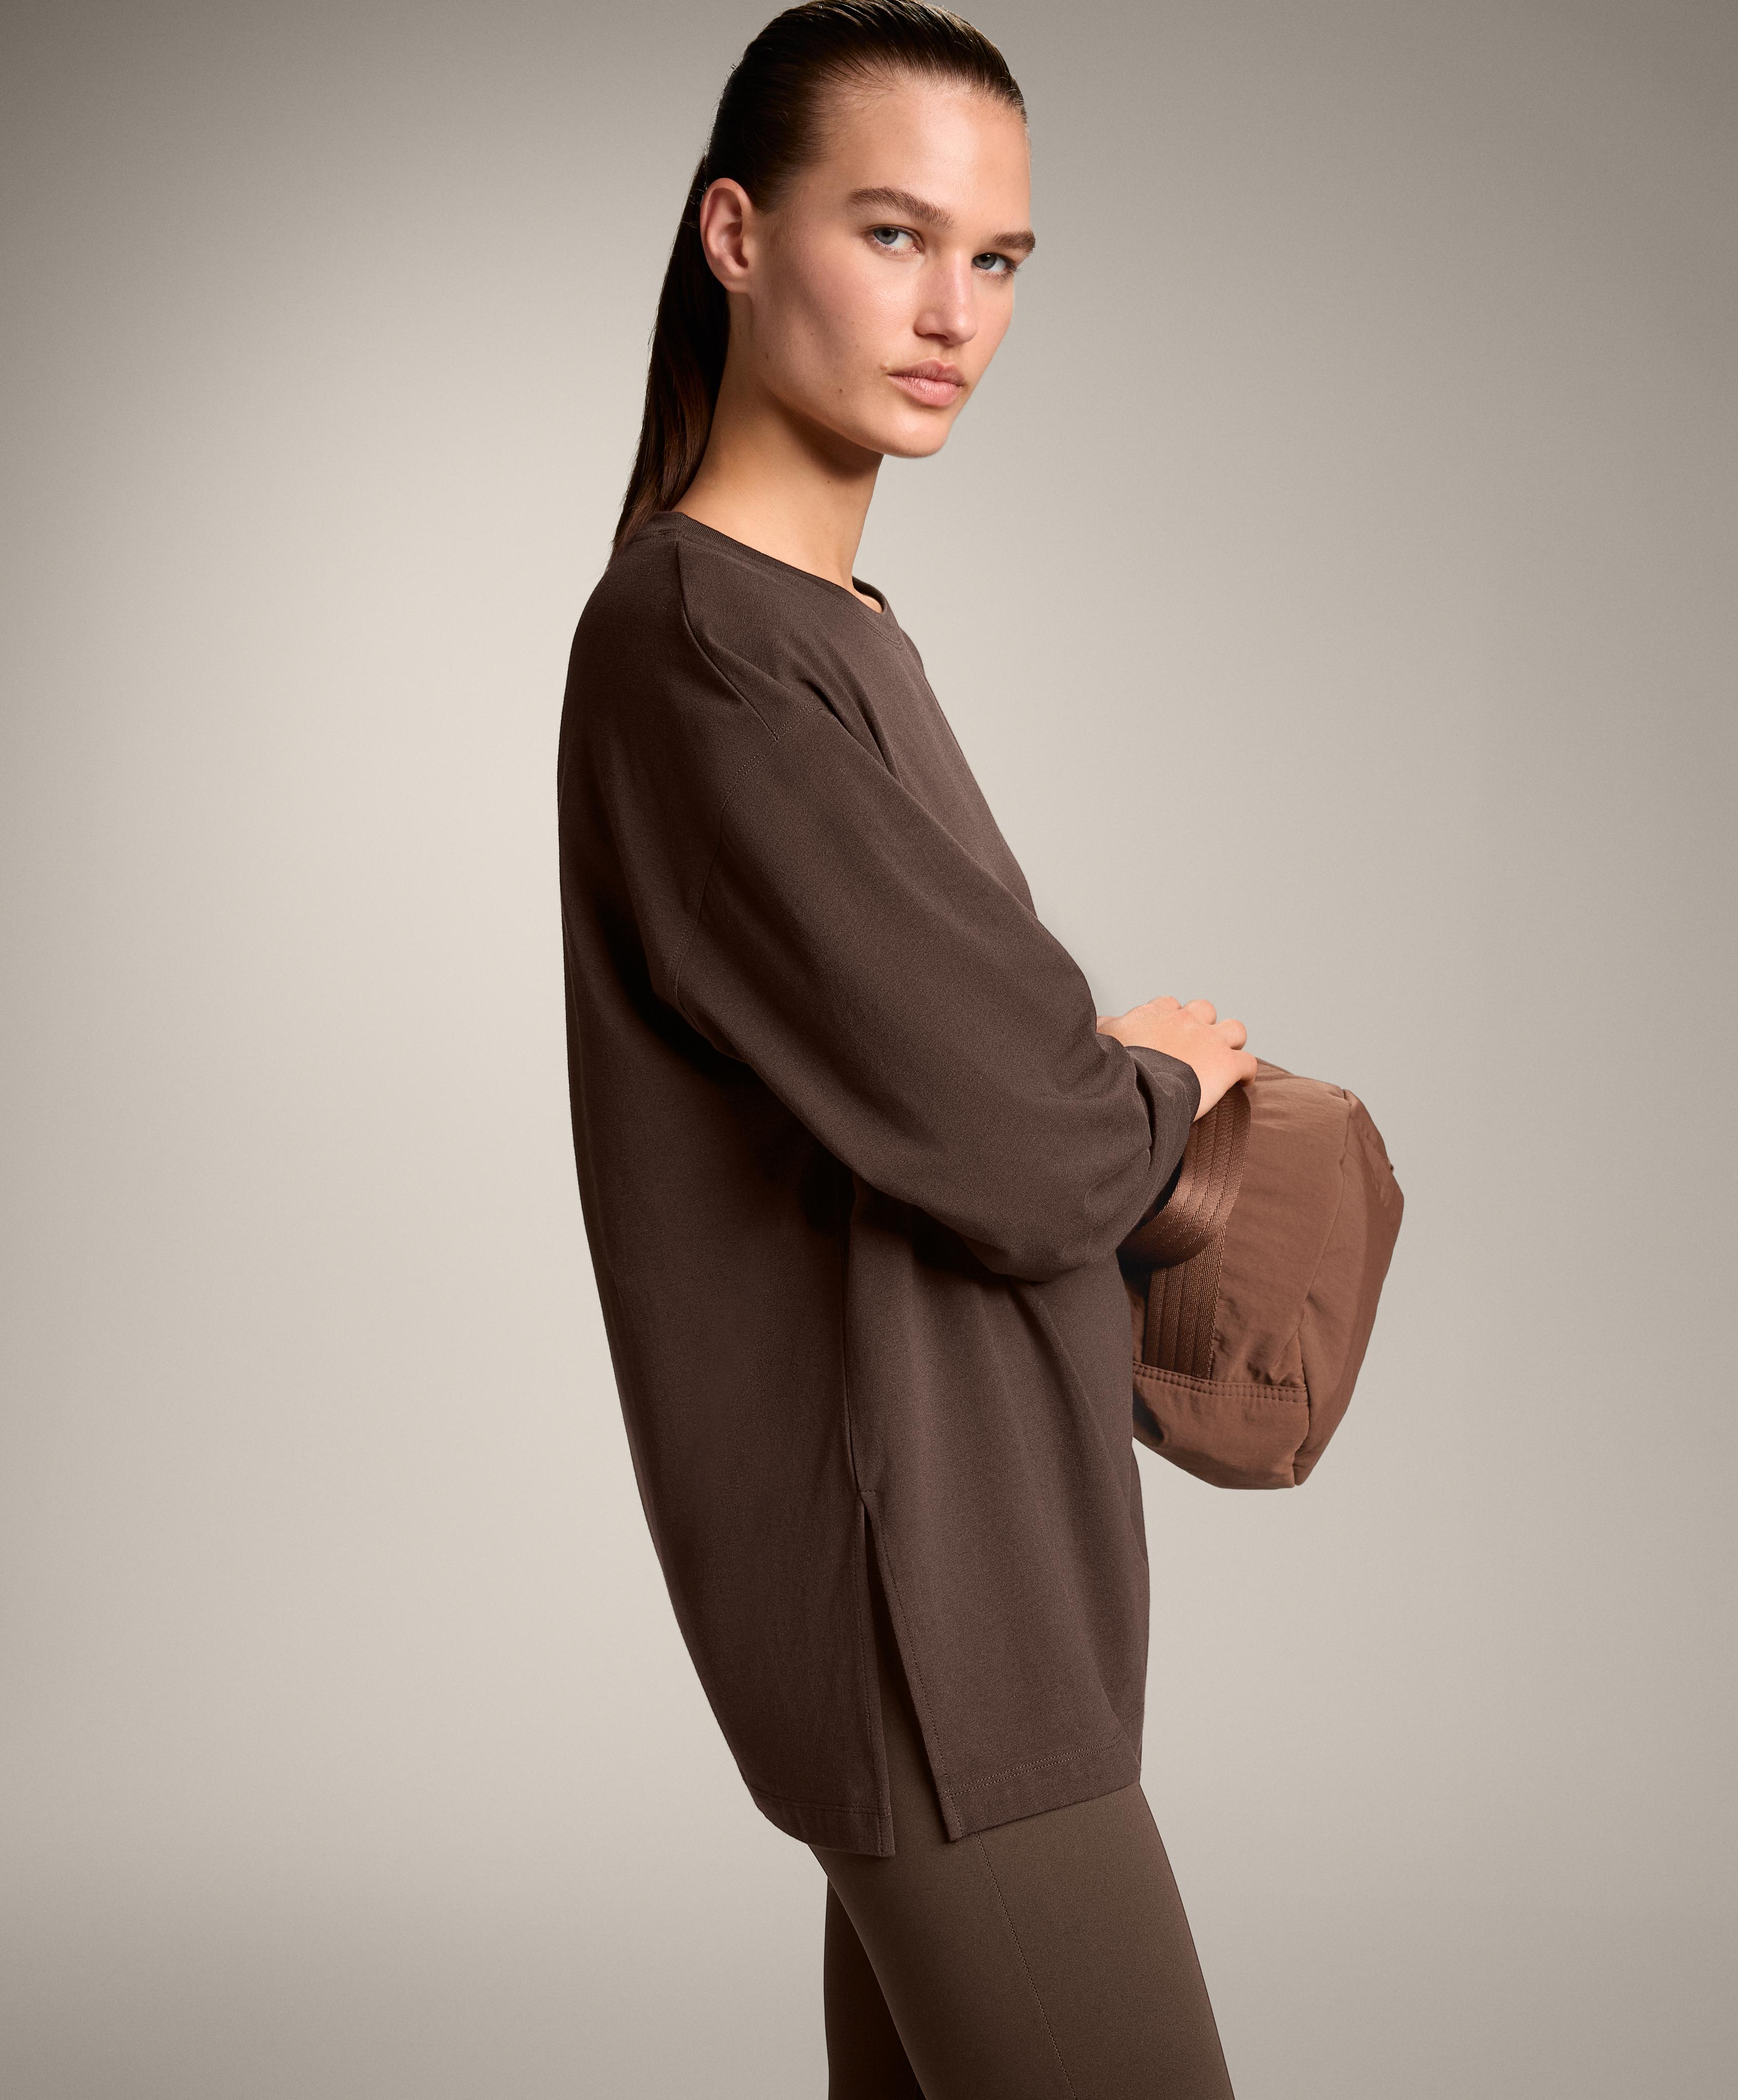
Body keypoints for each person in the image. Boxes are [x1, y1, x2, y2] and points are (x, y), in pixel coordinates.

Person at [557, 5, 1256, 2092]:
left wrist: (1080, 1075)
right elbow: (1027, 1144)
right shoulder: (710, 648)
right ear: (736, 235)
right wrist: (1162, 1080)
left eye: (999, 258)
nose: (956, 313)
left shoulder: (827, 630)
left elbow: (956, 1077)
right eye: (894, 234)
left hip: (975, 1559)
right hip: (933, 1602)